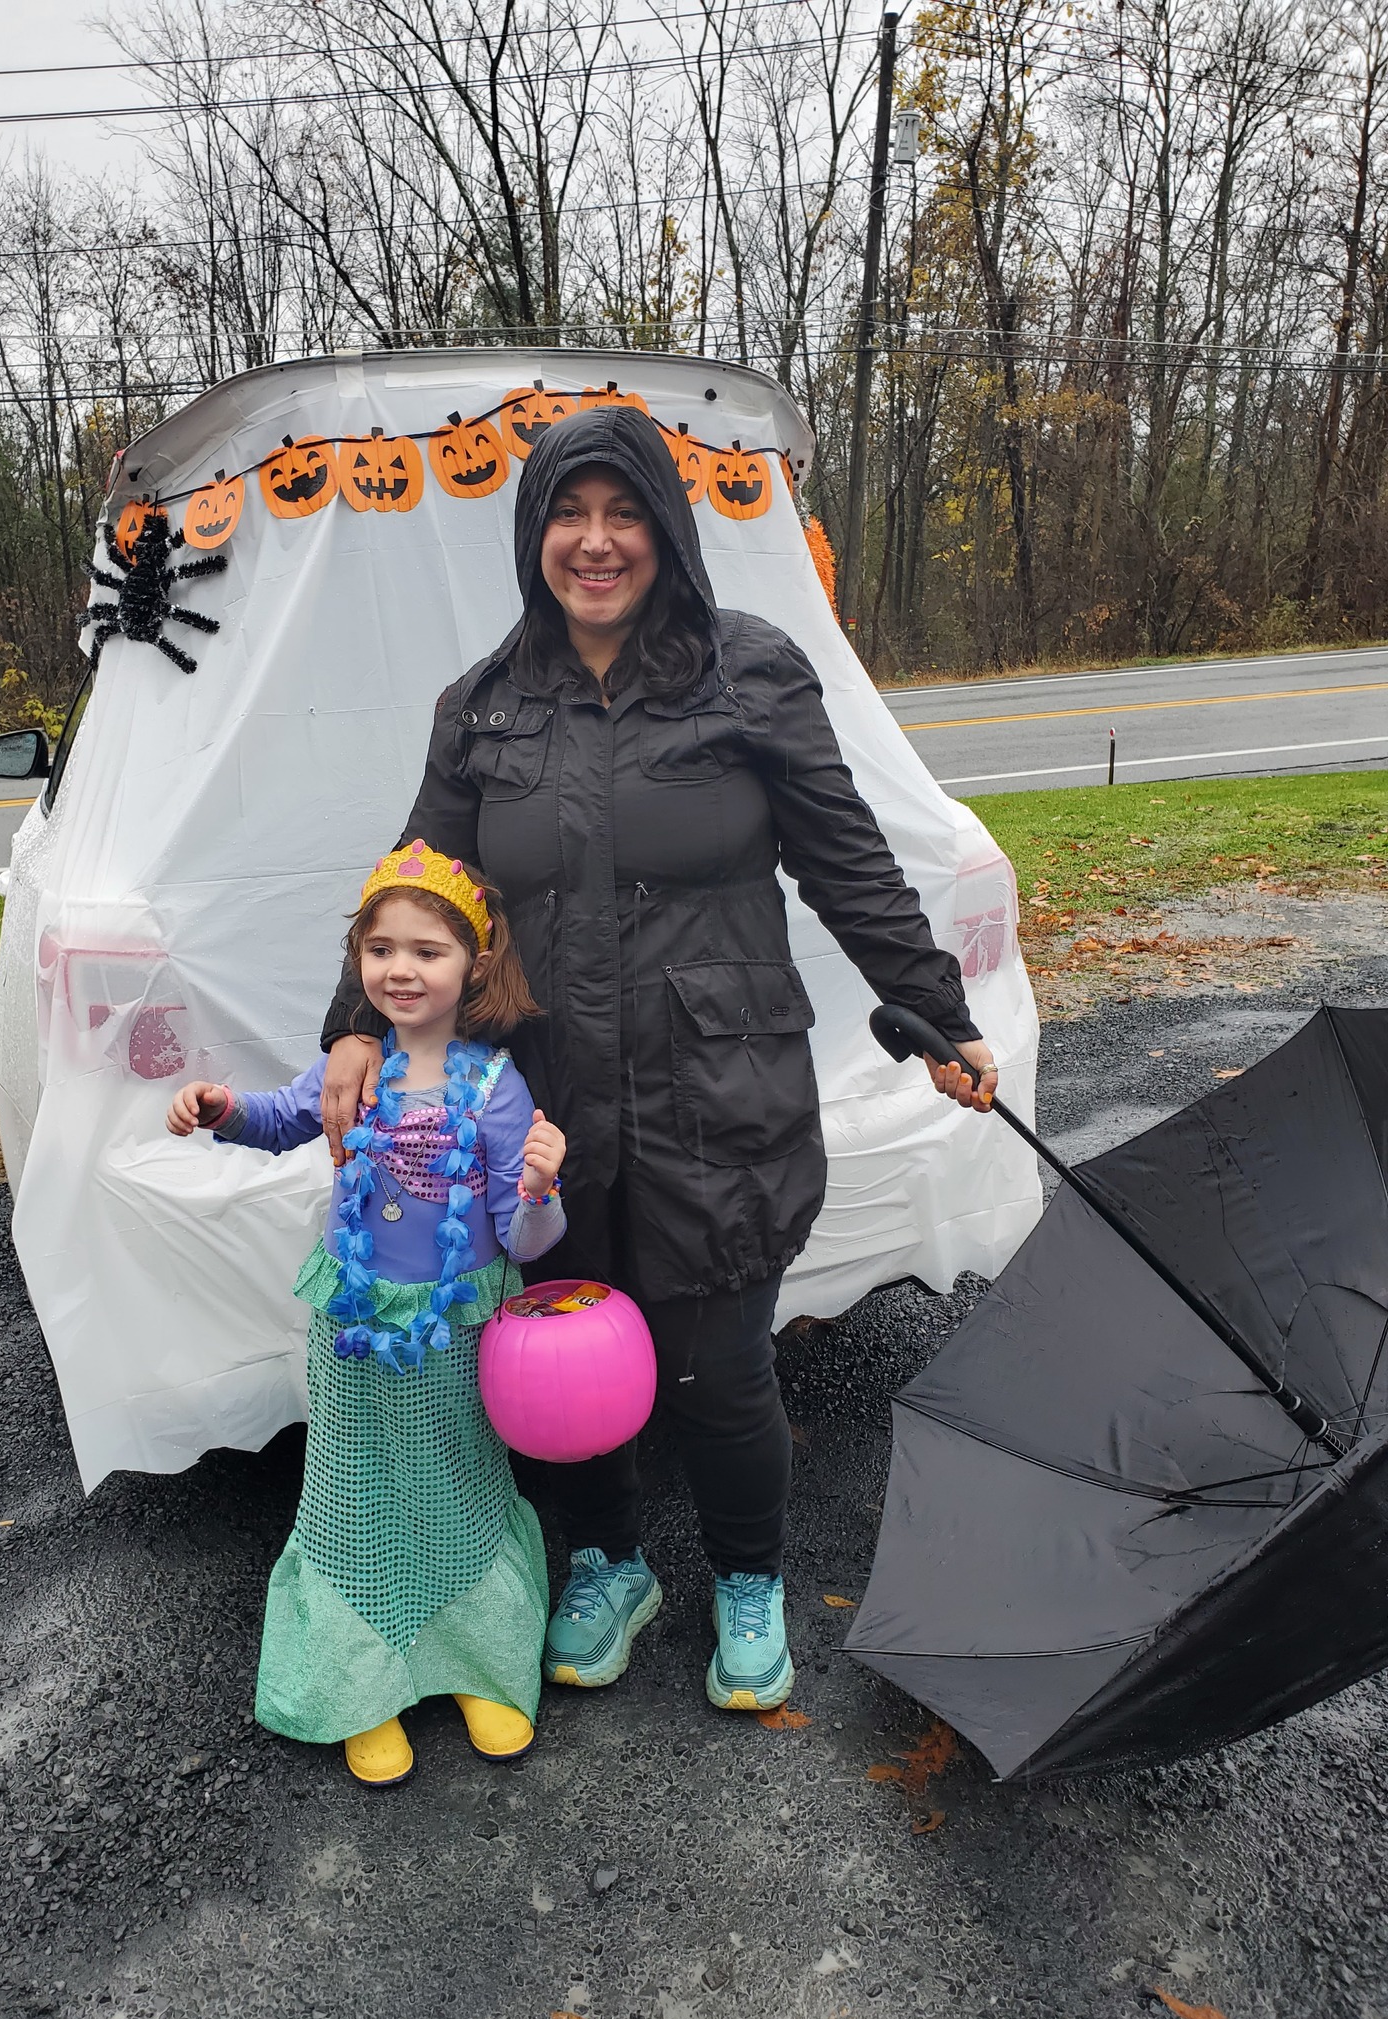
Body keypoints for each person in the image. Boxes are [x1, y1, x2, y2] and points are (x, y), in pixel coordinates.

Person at [317, 403, 996, 1716]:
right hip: (545, 1094)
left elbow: (847, 859)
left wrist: (933, 1012)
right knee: (561, 1347)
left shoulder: (752, 673)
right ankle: (609, 1561)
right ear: (535, 535)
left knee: (715, 1363)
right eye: (569, 515)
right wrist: (353, 1020)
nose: (596, 541)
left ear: (667, 531)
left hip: (718, 1082)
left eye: (623, 512)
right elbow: (423, 874)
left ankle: (746, 1578)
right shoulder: (485, 705)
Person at [166, 846, 568, 1787]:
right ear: (359, 960)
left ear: (474, 964)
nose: (401, 970)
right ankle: (363, 1682)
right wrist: (221, 1106)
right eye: (381, 949)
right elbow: (279, 1120)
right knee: (355, 1491)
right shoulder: (353, 1067)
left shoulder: (495, 1088)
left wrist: (541, 1187)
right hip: (351, 1325)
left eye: (428, 951)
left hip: (453, 1330)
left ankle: (474, 1661)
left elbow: (530, 1238)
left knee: (458, 1484)